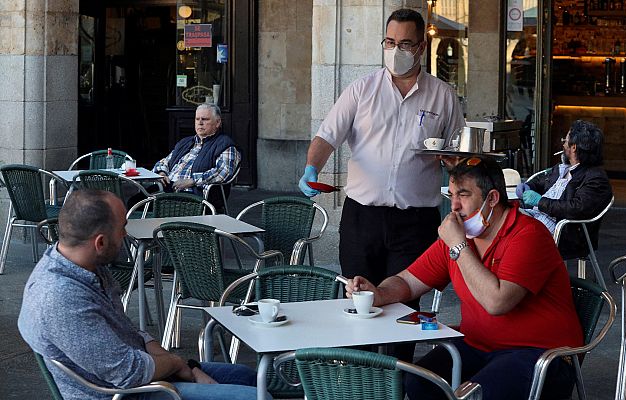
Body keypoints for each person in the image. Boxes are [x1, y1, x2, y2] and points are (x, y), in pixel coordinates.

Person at [345, 157, 583, 400]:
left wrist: (458, 246)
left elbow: (497, 303)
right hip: (478, 345)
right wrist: (379, 293)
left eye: (464, 195)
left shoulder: (527, 234)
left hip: (541, 354)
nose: (454, 206)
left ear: (492, 198)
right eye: (451, 195)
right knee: (419, 382)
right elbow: (408, 281)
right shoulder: (461, 235)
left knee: (475, 394)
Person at [297, 8, 465, 343]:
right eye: (389, 42)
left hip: (415, 222)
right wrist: (311, 168)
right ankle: (361, 380)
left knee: (403, 309)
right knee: (359, 300)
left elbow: (457, 155)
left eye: (405, 44)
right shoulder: (362, 90)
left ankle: (397, 383)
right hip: (363, 219)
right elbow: (327, 136)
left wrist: (453, 164)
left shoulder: (443, 96)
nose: (396, 50)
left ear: (420, 47)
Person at [18, 190, 264, 400]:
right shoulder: (60, 297)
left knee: (246, 376)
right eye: (122, 228)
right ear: (100, 243)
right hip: (125, 393)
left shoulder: (87, 267)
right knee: (254, 397)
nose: (126, 234)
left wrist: (179, 365)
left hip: (143, 371)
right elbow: (128, 372)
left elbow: (130, 333)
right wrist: (179, 365)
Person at [516, 119, 613, 259]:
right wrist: (528, 186)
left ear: (574, 147)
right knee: (502, 218)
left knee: (510, 232)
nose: (563, 144)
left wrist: (539, 201)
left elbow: (576, 208)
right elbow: (541, 181)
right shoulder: (563, 168)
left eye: (566, 140)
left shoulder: (596, 179)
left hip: (565, 232)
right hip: (538, 219)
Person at [152, 103, 240, 211]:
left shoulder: (225, 144)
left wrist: (193, 181)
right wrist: (162, 173)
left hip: (195, 195)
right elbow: (165, 161)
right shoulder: (186, 142)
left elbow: (224, 173)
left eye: (205, 119)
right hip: (168, 189)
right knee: (135, 201)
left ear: (217, 123)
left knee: (151, 205)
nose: (200, 123)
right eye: (197, 119)